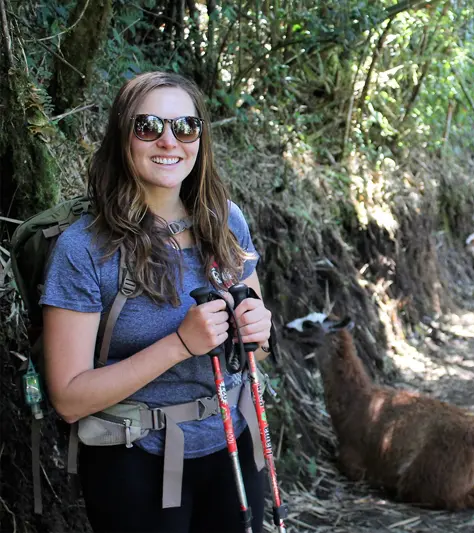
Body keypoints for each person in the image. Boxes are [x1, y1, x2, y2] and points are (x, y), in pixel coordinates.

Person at [39, 71, 271, 532]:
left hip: (231, 440)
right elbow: (68, 398)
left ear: (200, 138)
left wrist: (258, 331)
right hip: (132, 458)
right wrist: (180, 345)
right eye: (148, 126)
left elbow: (257, 352)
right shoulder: (83, 249)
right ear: (122, 136)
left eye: (185, 127)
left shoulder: (225, 221)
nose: (169, 141)